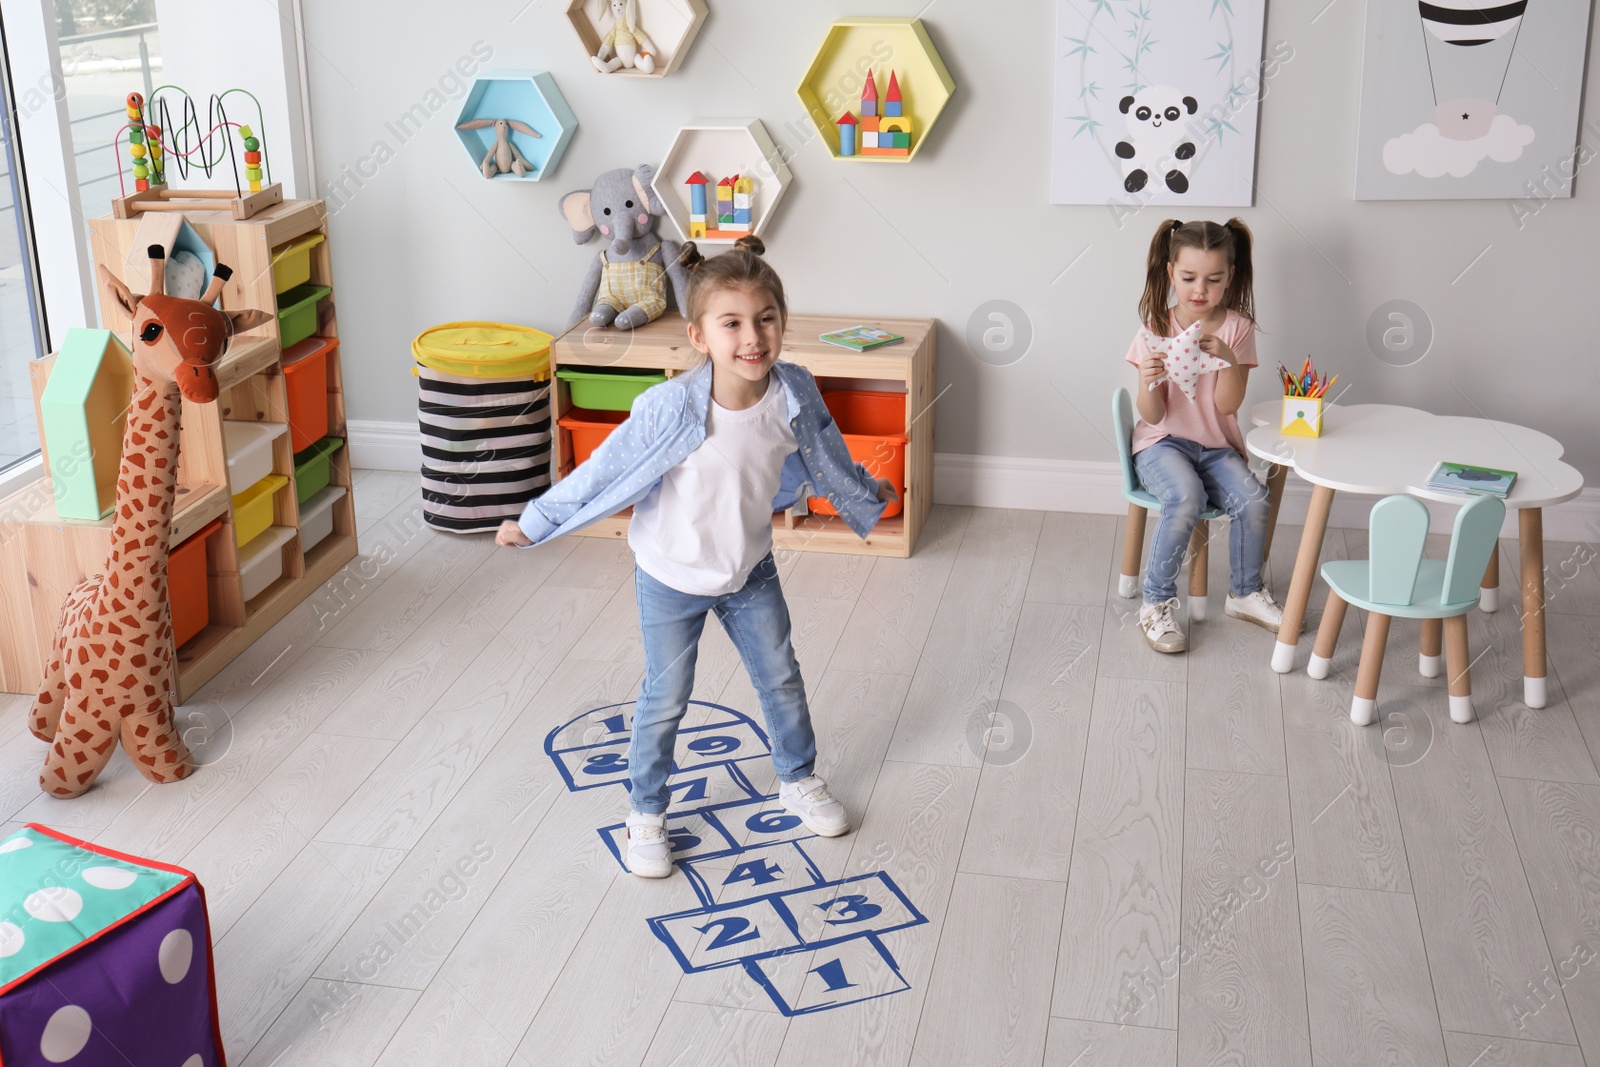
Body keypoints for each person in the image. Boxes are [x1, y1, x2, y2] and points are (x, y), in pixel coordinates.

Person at [497, 236, 897, 877]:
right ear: (699, 335)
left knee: (781, 678)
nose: (753, 337)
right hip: (671, 577)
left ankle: (796, 778)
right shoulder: (672, 406)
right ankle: (646, 814)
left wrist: (864, 490)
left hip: (749, 570)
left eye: (766, 319)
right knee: (667, 696)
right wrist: (535, 520)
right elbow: (604, 470)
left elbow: (826, 454)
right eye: (732, 322)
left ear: (782, 326)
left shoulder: (792, 392)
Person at [1127, 218, 1282, 653]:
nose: (1200, 290)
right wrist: (1147, 381)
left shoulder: (1237, 329)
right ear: (1170, 272)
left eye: (1213, 280)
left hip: (1216, 447)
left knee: (1254, 499)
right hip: (1161, 443)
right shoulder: (1154, 327)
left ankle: (1245, 593)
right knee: (1186, 497)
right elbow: (1152, 414)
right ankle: (1155, 604)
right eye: (1189, 278)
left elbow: (1228, 406)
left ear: (1230, 277)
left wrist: (1230, 361)